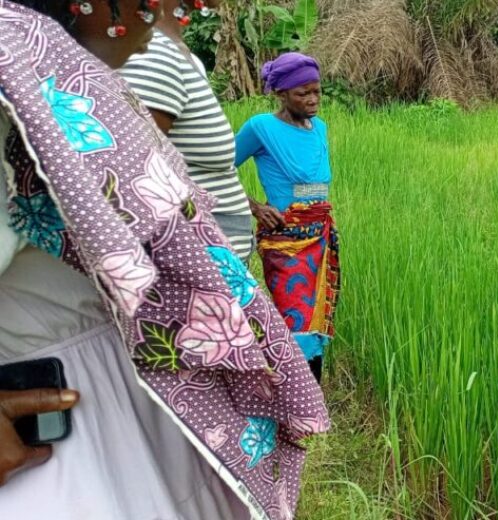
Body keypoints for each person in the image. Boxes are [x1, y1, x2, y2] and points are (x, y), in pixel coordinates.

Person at [0, 3, 329, 519]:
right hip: (72, 420)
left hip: (135, 396)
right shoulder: (16, 69)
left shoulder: (64, 68)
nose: (162, 15)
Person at [119, 0, 255, 260]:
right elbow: (134, 174)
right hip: (197, 254)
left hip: (215, 250)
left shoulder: (182, 55)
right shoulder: (155, 54)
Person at [234, 52, 339, 382]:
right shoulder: (261, 128)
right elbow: (214, 169)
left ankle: (312, 399)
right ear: (281, 93)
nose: (312, 99)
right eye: (302, 93)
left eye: (316, 91)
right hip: (285, 242)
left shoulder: (319, 128)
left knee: (317, 318)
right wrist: (254, 206)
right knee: (295, 321)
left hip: (320, 237)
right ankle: (295, 398)